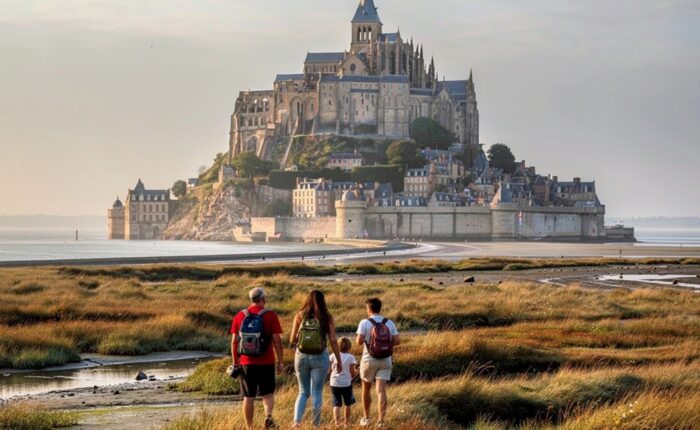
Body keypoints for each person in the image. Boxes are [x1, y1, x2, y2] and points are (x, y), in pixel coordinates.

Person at [231, 287, 284, 430]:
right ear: (263, 299)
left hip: (246, 363)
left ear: (251, 299)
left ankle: (249, 427)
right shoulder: (270, 315)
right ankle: (268, 417)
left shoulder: (240, 315)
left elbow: (234, 341)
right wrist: (280, 361)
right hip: (266, 362)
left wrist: (235, 362)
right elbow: (277, 341)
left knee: (248, 396)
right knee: (268, 393)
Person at [290, 290, 343, 427]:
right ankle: (316, 424)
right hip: (320, 356)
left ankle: (296, 422)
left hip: (301, 356)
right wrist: (338, 359)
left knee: (302, 391)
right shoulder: (327, 317)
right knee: (317, 392)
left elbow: (292, 339)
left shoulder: (299, 315)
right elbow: (333, 340)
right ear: (322, 301)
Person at [356, 298, 400, 427]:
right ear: (380, 308)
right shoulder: (389, 323)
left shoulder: (365, 322)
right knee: (381, 391)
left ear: (369, 309)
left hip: (369, 359)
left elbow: (359, 342)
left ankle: (366, 418)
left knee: (366, 388)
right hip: (386, 359)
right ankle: (381, 421)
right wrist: (386, 344)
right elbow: (397, 341)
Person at [329, 337, 358, 428]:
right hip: (346, 383)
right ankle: (346, 423)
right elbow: (352, 374)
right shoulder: (351, 357)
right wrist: (358, 371)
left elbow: (329, 370)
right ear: (349, 346)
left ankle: (337, 423)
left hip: (334, 382)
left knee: (336, 404)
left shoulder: (333, 355)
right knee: (347, 404)